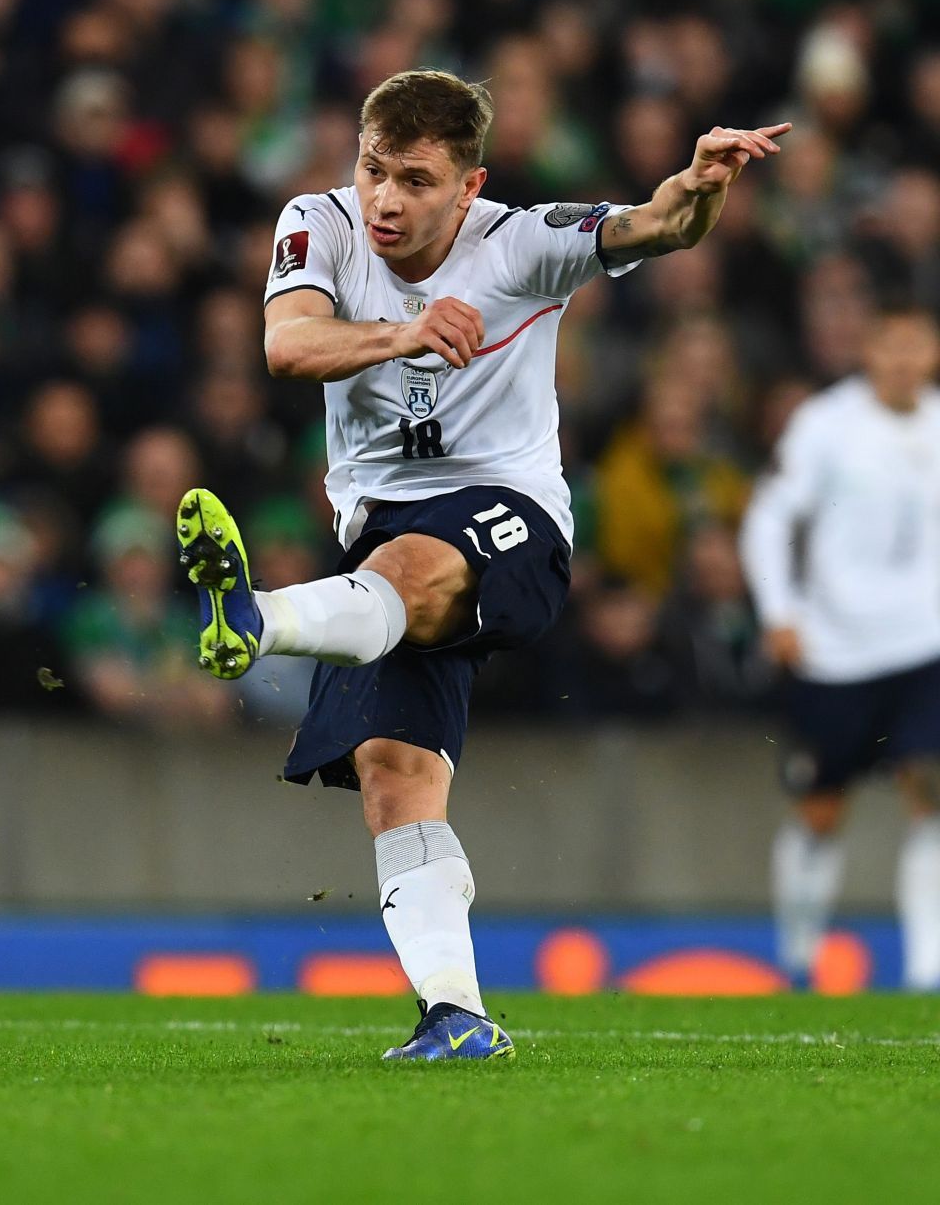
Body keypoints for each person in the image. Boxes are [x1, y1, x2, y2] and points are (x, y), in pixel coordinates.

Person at [177, 68, 787, 1059]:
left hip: (514, 525)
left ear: (469, 186)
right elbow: (286, 347)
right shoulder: (318, 223)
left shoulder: (524, 240)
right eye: (375, 169)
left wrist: (702, 185)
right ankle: (455, 1012)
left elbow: (656, 227)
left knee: (413, 566)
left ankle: (258, 621)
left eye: (416, 180)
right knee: (397, 777)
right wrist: (406, 331)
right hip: (377, 545)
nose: (385, 198)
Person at [739, 306, 940, 991]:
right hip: (837, 650)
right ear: (869, 350)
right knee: (822, 808)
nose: (905, 359)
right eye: (892, 345)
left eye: (917, 345)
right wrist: (780, 611)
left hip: (925, 644)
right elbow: (770, 518)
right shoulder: (827, 425)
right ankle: (797, 957)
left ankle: (926, 971)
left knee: (931, 790)